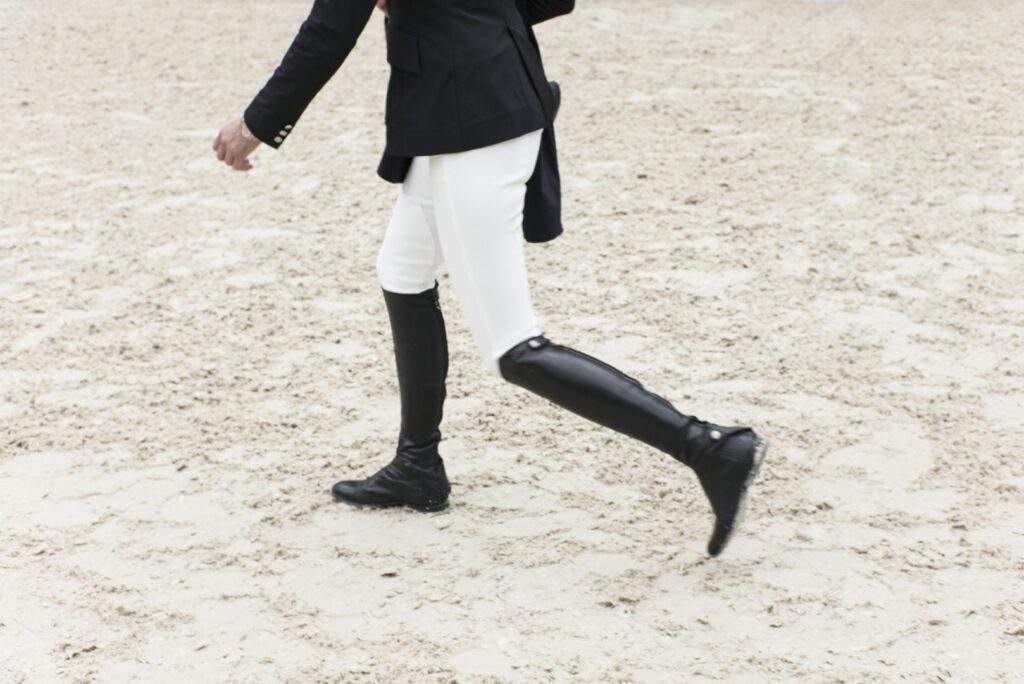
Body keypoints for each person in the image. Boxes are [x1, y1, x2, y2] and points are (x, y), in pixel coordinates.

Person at [212, 0, 768, 557]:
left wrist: (255, 126)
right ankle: (417, 465)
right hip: (470, 102)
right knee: (402, 271)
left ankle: (709, 446)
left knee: (512, 348)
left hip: (471, 126)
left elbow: (329, 31)